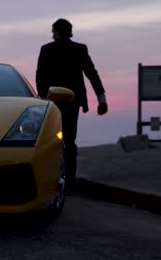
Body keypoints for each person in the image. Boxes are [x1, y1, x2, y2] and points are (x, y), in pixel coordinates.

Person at [35, 18, 108, 191]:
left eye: (53, 32)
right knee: (69, 140)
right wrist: (101, 98)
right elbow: (92, 74)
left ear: (58, 32)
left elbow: (40, 77)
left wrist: (43, 98)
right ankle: (70, 180)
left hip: (51, 102)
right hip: (72, 102)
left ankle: (51, 178)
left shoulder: (46, 50)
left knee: (50, 141)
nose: (52, 35)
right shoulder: (79, 49)